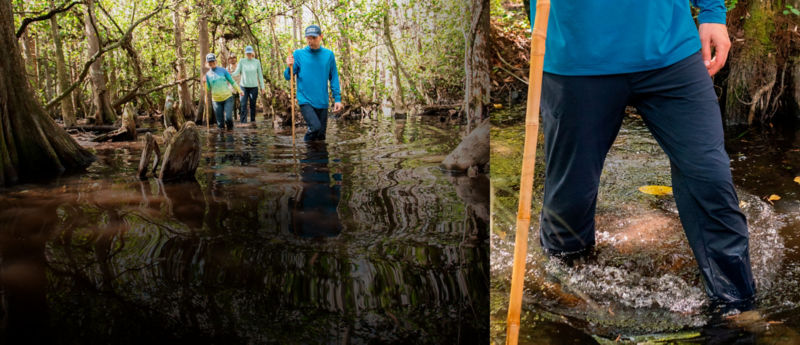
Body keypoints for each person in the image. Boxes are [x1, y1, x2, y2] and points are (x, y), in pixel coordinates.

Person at [531, 1, 755, 313]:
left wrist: (712, 12)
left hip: (672, 51)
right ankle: (564, 293)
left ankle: (737, 307)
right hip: (576, 58)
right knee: (570, 198)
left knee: (710, 178)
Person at [284, 25, 343, 142]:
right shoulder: (298, 54)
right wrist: (288, 66)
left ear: (321, 37)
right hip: (305, 100)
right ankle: (306, 157)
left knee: (321, 136)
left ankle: (317, 159)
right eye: (308, 38)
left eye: (313, 38)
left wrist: (337, 99)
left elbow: (334, 77)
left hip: (322, 101)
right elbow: (287, 76)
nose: (310, 41)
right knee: (315, 127)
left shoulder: (329, 55)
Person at [205, 53, 241, 130]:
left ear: (215, 61)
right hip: (216, 101)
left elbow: (232, 81)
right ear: (207, 63)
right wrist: (203, 83)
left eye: (212, 61)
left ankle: (231, 135)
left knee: (228, 118)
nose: (211, 63)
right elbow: (207, 89)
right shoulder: (208, 75)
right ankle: (222, 140)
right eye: (209, 62)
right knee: (220, 124)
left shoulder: (223, 70)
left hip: (227, 98)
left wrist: (239, 90)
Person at [231, 46, 265, 123]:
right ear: (245, 53)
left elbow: (260, 75)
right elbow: (237, 72)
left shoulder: (257, 62)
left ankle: (253, 122)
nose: (248, 54)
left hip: (254, 87)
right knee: (243, 105)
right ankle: (243, 123)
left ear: (252, 53)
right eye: (247, 53)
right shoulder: (242, 61)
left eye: (250, 53)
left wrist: (263, 87)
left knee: (253, 106)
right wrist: (229, 74)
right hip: (243, 87)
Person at [226, 54, 241, 122]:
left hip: (240, 87)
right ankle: (234, 119)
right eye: (230, 58)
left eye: (233, 58)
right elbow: (226, 79)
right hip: (231, 89)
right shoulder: (227, 68)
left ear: (236, 59)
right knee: (233, 105)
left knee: (241, 104)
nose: (232, 59)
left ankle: (242, 118)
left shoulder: (240, 66)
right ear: (229, 60)